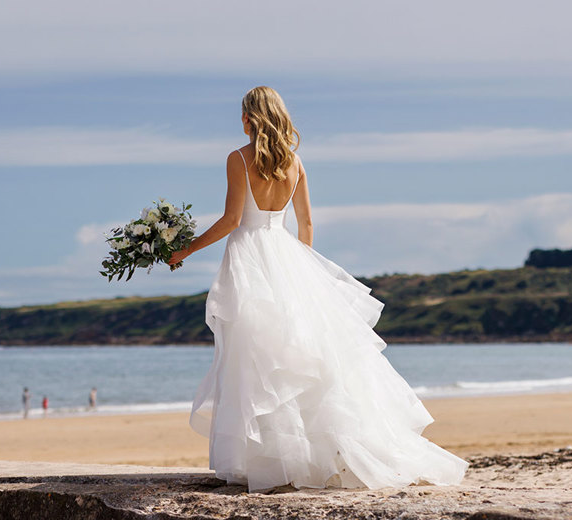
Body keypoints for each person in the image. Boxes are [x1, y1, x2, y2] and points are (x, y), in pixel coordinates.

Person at [169, 86, 467, 492]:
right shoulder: (295, 163)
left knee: (256, 357)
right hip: (289, 257)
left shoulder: (238, 158)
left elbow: (232, 220)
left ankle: (271, 462)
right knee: (300, 357)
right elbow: (306, 224)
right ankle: (309, 457)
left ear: (249, 119)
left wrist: (183, 250)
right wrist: (303, 270)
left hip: (251, 260)